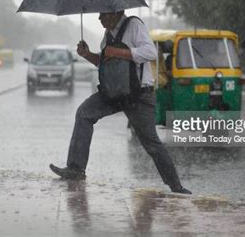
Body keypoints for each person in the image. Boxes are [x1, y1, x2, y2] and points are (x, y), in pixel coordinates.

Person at [50, 10, 191, 194]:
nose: (100, 19)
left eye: (104, 15)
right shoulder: (108, 34)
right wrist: (87, 54)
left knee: (151, 143)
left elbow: (150, 52)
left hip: (139, 95)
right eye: (99, 16)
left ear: (118, 13)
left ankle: (176, 186)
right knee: (84, 112)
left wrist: (117, 51)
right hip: (115, 92)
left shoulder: (134, 25)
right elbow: (105, 62)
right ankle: (76, 169)